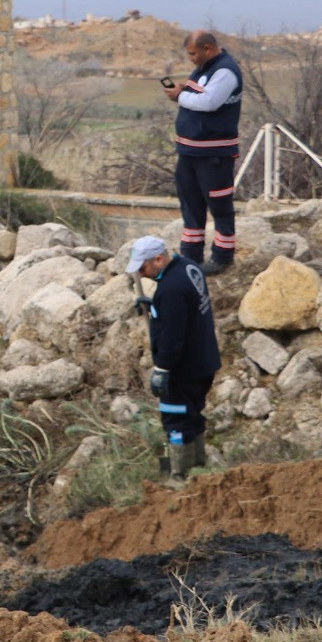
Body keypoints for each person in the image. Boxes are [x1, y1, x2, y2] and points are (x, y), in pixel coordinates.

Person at [128, 235, 220, 482]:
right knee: (193, 413)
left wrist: (162, 369)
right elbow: (184, 311)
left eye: (143, 267)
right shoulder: (188, 267)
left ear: (158, 259)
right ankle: (199, 467)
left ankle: (178, 476)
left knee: (175, 419)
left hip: (183, 370)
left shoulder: (170, 289)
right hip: (204, 360)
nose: (142, 273)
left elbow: (172, 337)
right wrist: (155, 307)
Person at [162, 30, 243, 275]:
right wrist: (187, 88)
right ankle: (190, 255)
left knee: (219, 205)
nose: (191, 59)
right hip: (190, 152)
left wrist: (180, 96)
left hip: (213, 154)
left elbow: (209, 103)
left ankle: (222, 257)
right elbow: (200, 94)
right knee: (191, 204)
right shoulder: (204, 68)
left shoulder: (225, 71)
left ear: (208, 49)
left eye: (193, 53)